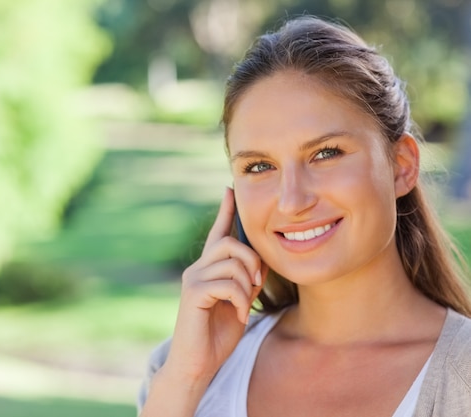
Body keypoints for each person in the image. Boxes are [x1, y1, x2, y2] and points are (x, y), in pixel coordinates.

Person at [137, 16, 471, 417]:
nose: (292, 201)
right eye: (260, 166)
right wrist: (186, 380)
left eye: (326, 153)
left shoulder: (461, 378)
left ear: (401, 165)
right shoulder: (180, 369)